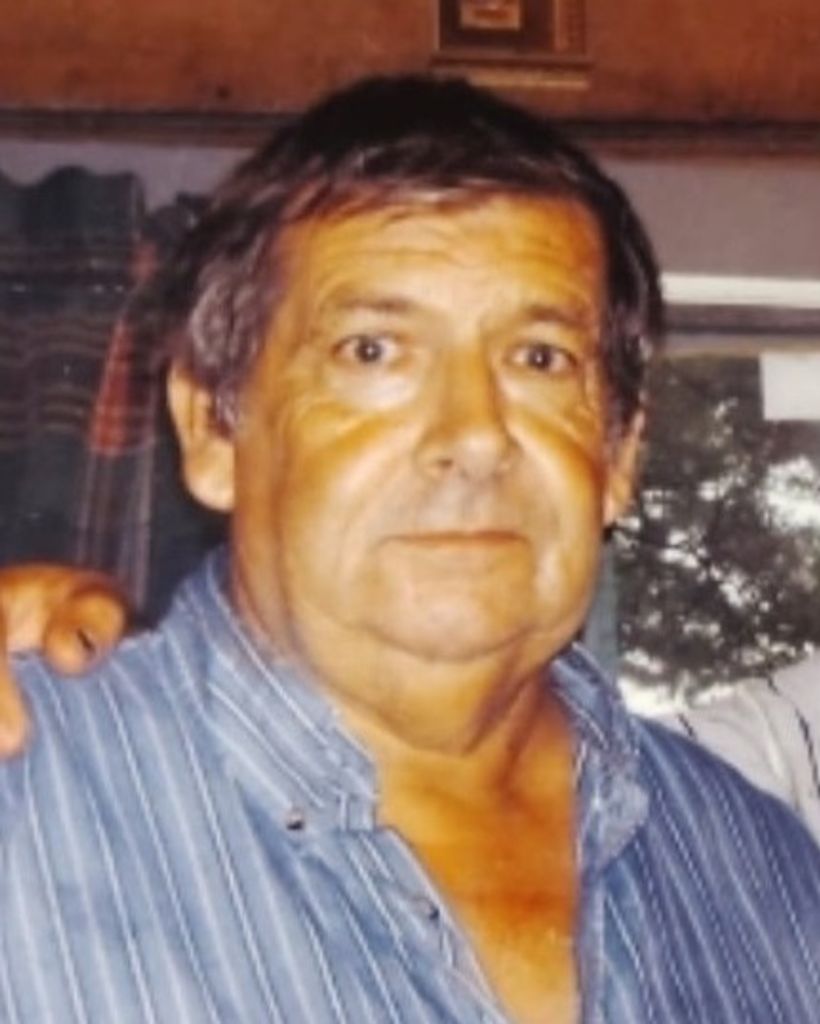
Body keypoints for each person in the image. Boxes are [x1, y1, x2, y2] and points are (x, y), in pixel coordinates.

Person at [1, 74, 819, 1024]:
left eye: (539, 358)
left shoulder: (767, 872)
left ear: (620, 455)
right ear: (214, 431)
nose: (474, 436)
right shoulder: (23, 799)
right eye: (372, 351)